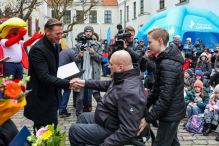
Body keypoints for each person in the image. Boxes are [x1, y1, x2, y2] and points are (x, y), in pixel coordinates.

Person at [68, 50, 147, 146]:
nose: (108, 66)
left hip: (111, 128)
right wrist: (84, 83)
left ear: (120, 67)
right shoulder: (125, 75)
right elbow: (107, 84)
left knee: (74, 131)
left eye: (111, 64)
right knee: (82, 117)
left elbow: (128, 131)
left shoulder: (129, 92)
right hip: (107, 118)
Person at [24, 18, 73, 133]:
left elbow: (54, 69)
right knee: (41, 132)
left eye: (61, 33)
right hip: (40, 97)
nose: (60, 36)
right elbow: (44, 76)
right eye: (57, 33)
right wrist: (69, 83)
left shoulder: (55, 45)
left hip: (52, 95)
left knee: (53, 127)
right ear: (47, 31)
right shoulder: (38, 49)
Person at [138, 28, 186, 146]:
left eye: (150, 42)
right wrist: (144, 106)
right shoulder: (163, 59)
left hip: (170, 114)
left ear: (159, 41)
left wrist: (148, 119)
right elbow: (156, 89)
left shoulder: (167, 63)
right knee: (173, 142)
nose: (148, 46)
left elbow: (165, 98)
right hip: (171, 112)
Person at [75, 26, 103, 116]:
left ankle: (103, 112)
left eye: (90, 31)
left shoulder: (97, 45)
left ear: (92, 33)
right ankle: (79, 114)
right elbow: (75, 60)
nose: (88, 33)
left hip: (93, 74)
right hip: (82, 74)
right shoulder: (79, 45)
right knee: (80, 97)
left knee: (97, 96)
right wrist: (79, 56)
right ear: (84, 33)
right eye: (86, 31)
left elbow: (101, 59)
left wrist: (93, 53)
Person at [57, 48, 75, 117]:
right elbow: (75, 65)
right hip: (63, 71)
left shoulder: (66, 51)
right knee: (67, 89)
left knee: (58, 89)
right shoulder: (74, 53)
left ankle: (60, 108)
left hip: (56, 71)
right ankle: (62, 108)